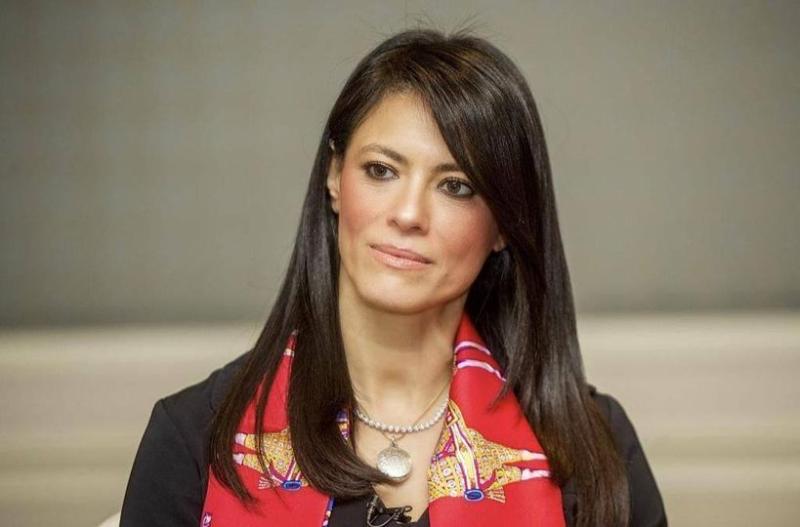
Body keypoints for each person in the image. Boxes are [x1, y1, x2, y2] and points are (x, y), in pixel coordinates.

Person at [120, 27, 667, 527]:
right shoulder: (195, 436)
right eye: (381, 170)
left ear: (504, 222)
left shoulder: (593, 451)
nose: (408, 214)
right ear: (335, 177)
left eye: (456, 186)